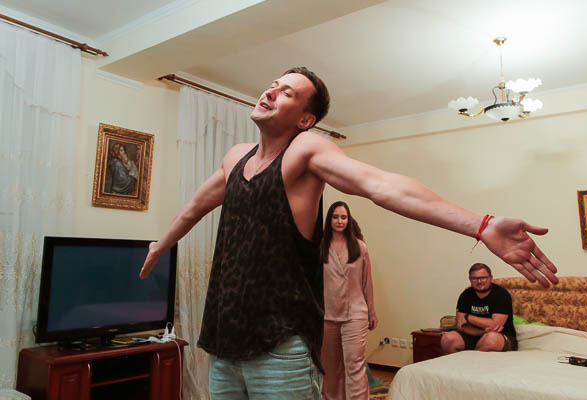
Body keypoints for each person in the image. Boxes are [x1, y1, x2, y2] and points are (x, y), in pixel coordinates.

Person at [139, 66, 557, 399]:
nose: (271, 91)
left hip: (280, 347)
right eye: (274, 85)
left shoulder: (305, 150)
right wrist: (162, 244)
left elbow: (381, 186)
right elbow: (194, 208)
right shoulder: (235, 158)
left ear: (305, 119)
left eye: (287, 92)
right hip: (223, 342)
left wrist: (481, 225)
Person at [321, 201, 377, 400]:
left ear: (348, 219)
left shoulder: (360, 247)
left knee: (354, 363)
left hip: (355, 313)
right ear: (329, 220)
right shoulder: (320, 247)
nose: (339, 221)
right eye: (335, 217)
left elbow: (367, 282)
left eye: (343, 217)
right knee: (330, 367)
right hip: (328, 314)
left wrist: (372, 311)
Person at [440, 263, 517, 354]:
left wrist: (468, 317)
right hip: (473, 336)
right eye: (475, 278)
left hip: (501, 336)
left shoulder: (501, 294)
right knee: (447, 339)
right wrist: (483, 331)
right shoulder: (466, 295)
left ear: (491, 278)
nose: (479, 281)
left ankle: (470, 361)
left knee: (491, 339)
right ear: (470, 279)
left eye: (483, 278)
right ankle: (460, 362)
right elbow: (461, 326)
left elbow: (495, 325)